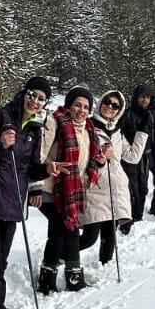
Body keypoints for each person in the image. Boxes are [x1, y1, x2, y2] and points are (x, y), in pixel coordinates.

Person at [0, 75, 50, 309]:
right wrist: (0, 143)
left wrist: (47, 170)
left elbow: (29, 170)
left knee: (1, 260)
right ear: (24, 93)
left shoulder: (34, 130)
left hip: (14, 202)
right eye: (32, 94)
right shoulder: (0, 115)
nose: (35, 101)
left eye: (41, 99)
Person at [35, 85, 103, 292]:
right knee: (70, 230)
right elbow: (40, 153)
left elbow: (87, 161)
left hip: (70, 191)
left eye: (86, 107)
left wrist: (98, 162)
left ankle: (46, 280)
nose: (81, 110)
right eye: (77, 105)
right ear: (68, 105)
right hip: (49, 189)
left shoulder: (89, 129)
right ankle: (74, 279)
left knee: (57, 233)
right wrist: (35, 187)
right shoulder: (56, 122)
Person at [79, 90, 148, 266]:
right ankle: (59, 255)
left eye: (115, 105)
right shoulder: (88, 127)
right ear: (100, 103)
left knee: (110, 234)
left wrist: (143, 132)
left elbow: (132, 157)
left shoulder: (117, 133)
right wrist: (98, 156)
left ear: (120, 110)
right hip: (94, 187)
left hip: (115, 188)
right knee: (89, 237)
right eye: (107, 102)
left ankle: (105, 266)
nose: (110, 107)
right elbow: (80, 156)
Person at [119, 85, 154, 226]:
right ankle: (127, 220)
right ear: (136, 97)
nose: (145, 100)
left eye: (148, 97)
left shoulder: (149, 115)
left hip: (145, 157)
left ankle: (138, 218)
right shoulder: (127, 114)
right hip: (129, 158)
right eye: (142, 97)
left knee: (143, 189)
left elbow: (154, 136)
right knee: (131, 190)